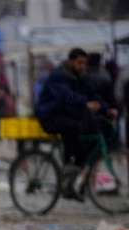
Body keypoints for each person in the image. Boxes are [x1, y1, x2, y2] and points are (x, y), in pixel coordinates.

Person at [36, 47, 117, 200]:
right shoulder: (59, 75)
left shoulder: (81, 76)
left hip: (68, 115)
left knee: (88, 143)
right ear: (70, 61)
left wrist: (107, 110)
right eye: (79, 63)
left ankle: (71, 182)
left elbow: (93, 95)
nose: (82, 66)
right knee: (73, 127)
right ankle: (68, 166)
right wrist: (85, 103)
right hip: (49, 116)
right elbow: (66, 96)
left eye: (84, 63)